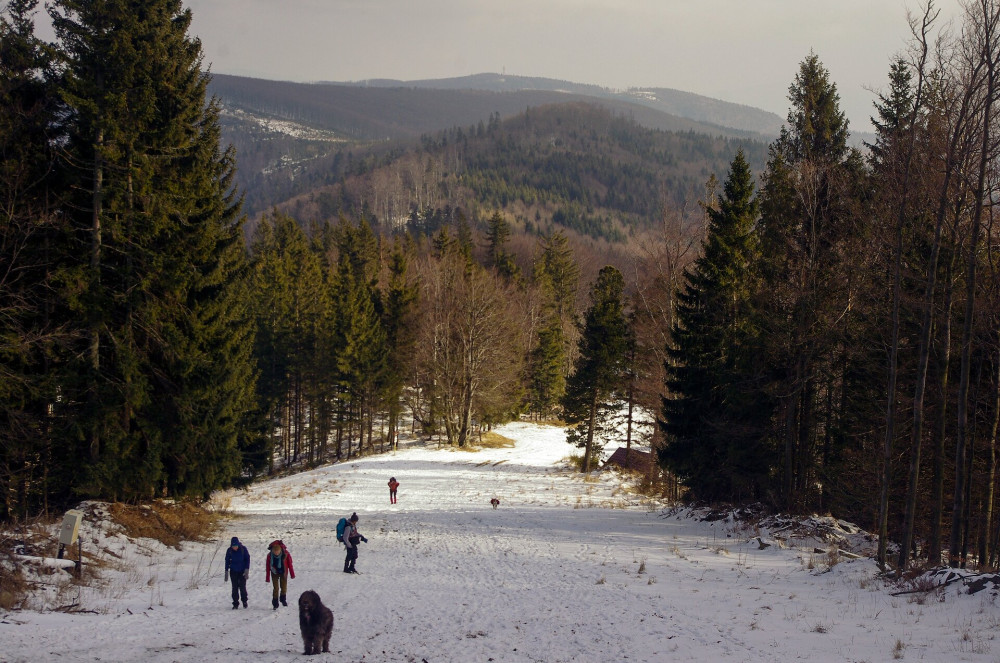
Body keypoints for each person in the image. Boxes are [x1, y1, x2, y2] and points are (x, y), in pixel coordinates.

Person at [265, 539, 295, 609]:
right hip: (274, 572)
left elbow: (290, 564)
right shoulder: (269, 556)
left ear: (280, 550)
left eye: (277, 551)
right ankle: (275, 603)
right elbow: (267, 567)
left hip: (283, 572)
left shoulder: (286, 554)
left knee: (283, 587)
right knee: (276, 588)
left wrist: (292, 573)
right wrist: (267, 577)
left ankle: (283, 599)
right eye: (275, 552)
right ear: (272, 551)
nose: (276, 553)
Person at [224, 536, 250, 609]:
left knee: (242, 587)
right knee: (234, 588)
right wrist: (226, 571)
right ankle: (235, 603)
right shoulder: (229, 551)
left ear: (238, 544)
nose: (234, 548)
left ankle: (244, 601)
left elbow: (247, 559)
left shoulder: (243, 549)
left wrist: (246, 570)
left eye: (236, 546)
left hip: (242, 571)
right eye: (233, 546)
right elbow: (227, 561)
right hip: (233, 571)